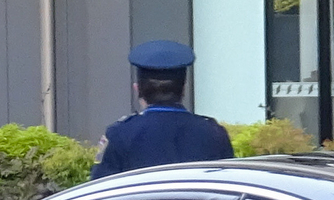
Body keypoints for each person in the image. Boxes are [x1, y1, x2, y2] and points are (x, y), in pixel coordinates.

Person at [91, 40, 235, 177]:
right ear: (183, 89)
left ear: (138, 89)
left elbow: (100, 186)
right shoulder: (213, 133)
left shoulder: (119, 133)